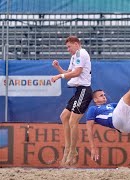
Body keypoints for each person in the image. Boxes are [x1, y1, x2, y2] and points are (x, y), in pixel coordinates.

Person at [51, 35, 93, 166]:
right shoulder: (74, 56)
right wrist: (58, 69)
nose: (68, 49)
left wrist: (59, 76)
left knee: (73, 121)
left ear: (76, 43)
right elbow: (68, 72)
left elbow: (77, 73)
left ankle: (72, 151)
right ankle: (68, 148)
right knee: (64, 116)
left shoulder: (81, 53)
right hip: (78, 91)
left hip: (84, 91)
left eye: (69, 46)